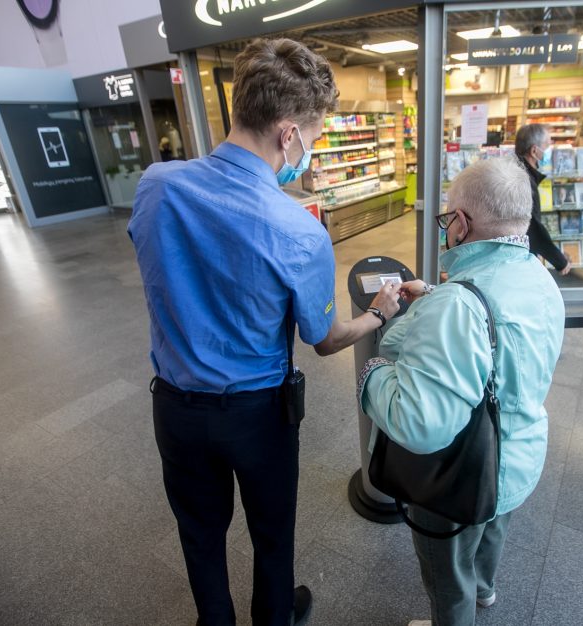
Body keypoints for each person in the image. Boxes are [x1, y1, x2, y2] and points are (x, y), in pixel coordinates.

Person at [128, 38, 400, 626]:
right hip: (257, 414)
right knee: (271, 531)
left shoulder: (155, 185)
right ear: (287, 134)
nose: (312, 147)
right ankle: (275, 616)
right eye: (314, 134)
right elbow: (323, 338)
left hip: (174, 407)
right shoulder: (298, 230)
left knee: (199, 533)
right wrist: (376, 313)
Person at [357, 157, 565, 626]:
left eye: (447, 217)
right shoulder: (538, 276)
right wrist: (438, 298)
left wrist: (372, 374)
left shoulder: (460, 305)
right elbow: (500, 336)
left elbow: (420, 424)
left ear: (462, 223)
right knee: (491, 530)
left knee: (447, 580)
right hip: (518, 460)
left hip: (461, 478)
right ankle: (486, 590)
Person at [514, 124, 572, 275]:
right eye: (547, 145)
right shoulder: (525, 180)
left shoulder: (515, 171)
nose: (549, 150)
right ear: (534, 151)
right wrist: (559, 260)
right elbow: (532, 227)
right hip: (520, 254)